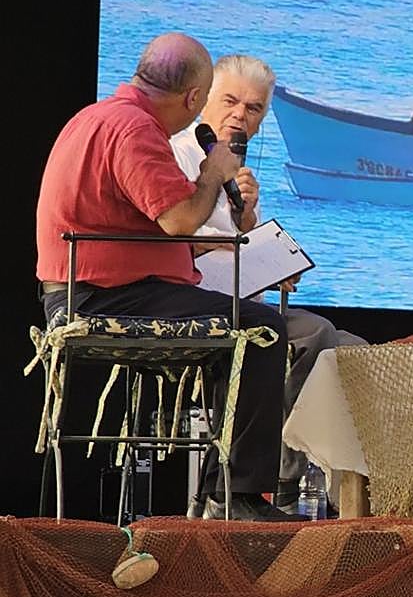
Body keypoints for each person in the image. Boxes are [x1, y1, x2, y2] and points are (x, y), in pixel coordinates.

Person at [35, 33, 298, 521]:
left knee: (244, 324)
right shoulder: (136, 130)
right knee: (263, 329)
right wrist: (212, 172)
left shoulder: (96, 116)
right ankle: (238, 496)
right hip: (105, 297)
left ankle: (221, 489)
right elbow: (180, 220)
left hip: (100, 289)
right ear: (195, 98)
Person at [170, 54, 366, 515]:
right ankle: (277, 482)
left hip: (246, 302)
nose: (240, 115)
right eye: (230, 101)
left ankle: (348, 496)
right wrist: (243, 246)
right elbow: (177, 237)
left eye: (253, 108)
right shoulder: (180, 155)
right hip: (199, 304)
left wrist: (256, 235)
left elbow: (234, 245)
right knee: (315, 334)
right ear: (203, 101)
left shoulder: (240, 175)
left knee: (354, 352)